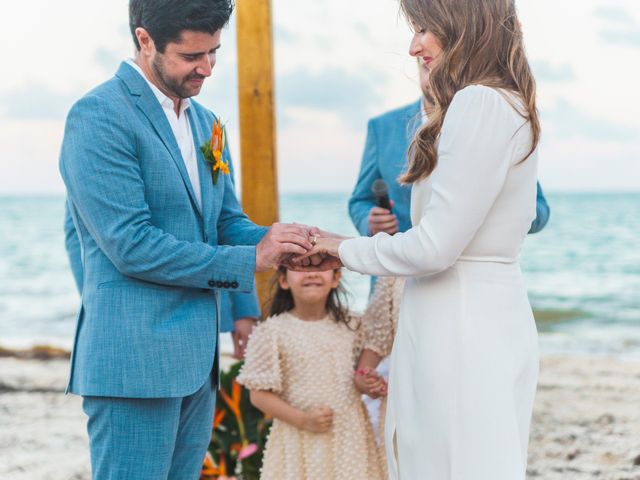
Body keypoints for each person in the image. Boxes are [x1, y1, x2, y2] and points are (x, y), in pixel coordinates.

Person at [59, 1, 315, 478]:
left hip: (197, 363)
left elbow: (225, 223)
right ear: (145, 40)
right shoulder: (98, 116)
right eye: (193, 56)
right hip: (133, 366)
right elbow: (131, 245)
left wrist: (282, 242)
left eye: (215, 52)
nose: (208, 68)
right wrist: (251, 259)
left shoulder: (206, 123)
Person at [293, 0, 542, 477]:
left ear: (462, 23)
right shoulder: (504, 103)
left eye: (425, 27)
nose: (413, 46)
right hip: (474, 316)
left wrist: (338, 246)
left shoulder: (480, 102)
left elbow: (434, 248)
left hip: (461, 325)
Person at [349, 61, 550, 241]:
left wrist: (499, 211)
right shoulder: (382, 127)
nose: (436, 78)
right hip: (393, 274)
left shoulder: (489, 127)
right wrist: (369, 221)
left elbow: (539, 209)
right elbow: (360, 200)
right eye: (428, 69)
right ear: (419, 66)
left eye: (446, 69)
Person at [236, 267, 385, 480]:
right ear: (283, 280)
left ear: (335, 278)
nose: (311, 274)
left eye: (319, 268)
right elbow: (258, 395)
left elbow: (362, 373)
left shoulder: (354, 325)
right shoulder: (271, 332)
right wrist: (304, 420)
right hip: (298, 438)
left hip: (349, 439)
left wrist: (368, 383)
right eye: (300, 268)